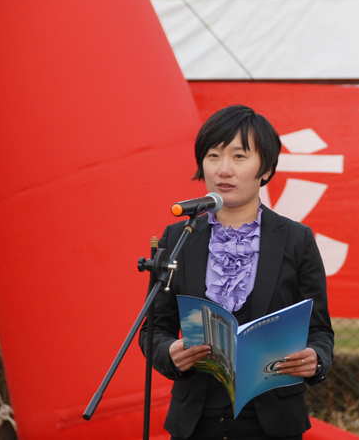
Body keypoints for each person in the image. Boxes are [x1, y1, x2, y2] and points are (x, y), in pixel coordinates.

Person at [139, 105, 334, 440]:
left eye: (239, 156)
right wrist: (169, 352)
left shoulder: (295, 239)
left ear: (266, 168)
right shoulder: (179, 237)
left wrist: (316, 359)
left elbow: (319, 331)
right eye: (213, 156)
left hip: (273, 423)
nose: (223, 169)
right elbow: (153, 329)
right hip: (195, 421)